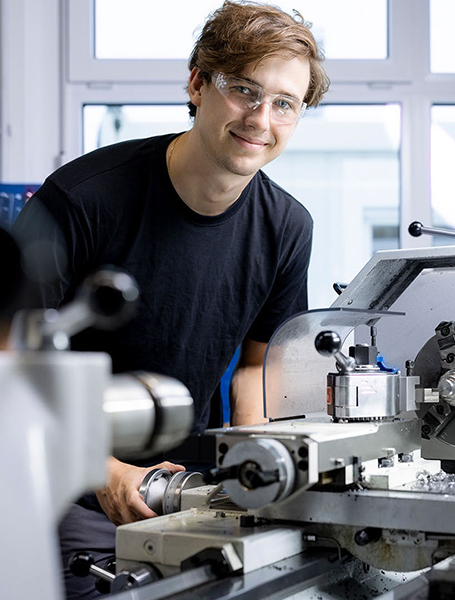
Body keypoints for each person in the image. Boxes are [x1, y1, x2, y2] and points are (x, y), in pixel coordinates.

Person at [11, 1, 329, 597]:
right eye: (244, 90)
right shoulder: (82, 202)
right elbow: (8, 367)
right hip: (62, 488)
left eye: (285, 103)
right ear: (197, 83)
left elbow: (259, 367)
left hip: (190, 490)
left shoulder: (288, 227)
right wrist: (99, 471)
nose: (261, 118)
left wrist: (252, 469)